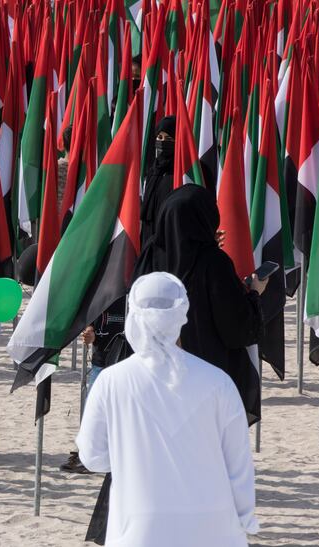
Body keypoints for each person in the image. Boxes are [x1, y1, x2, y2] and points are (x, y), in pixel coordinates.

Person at [77, 272, 259, 546]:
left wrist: (135, 456)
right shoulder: (218, 382)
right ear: (182, 316)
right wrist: (245, 518)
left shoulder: (111, 381)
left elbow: (92, 457)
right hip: (213, 528)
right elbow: (239, 467)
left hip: (139, 528)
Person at [134, 184, 266, 423]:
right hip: (204, 376)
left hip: (153, 375)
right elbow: (237, 329)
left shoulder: (150, 253)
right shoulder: (214, 262)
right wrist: (255, 294)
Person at [60, 297, 126, 474]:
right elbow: (91, 322)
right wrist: (90, 332)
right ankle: (88, 455)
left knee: (122, 413)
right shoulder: (105, 289)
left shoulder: (136, 290)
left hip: (129, 363)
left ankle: (103, 456)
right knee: (94, 409)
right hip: (102, 361)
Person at [140, 116, 176, 249]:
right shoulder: (153, 170)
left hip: (167, 237)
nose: (162, 143)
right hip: (148, 235)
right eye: (159, 138)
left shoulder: (178, 173)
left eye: (168, 139)